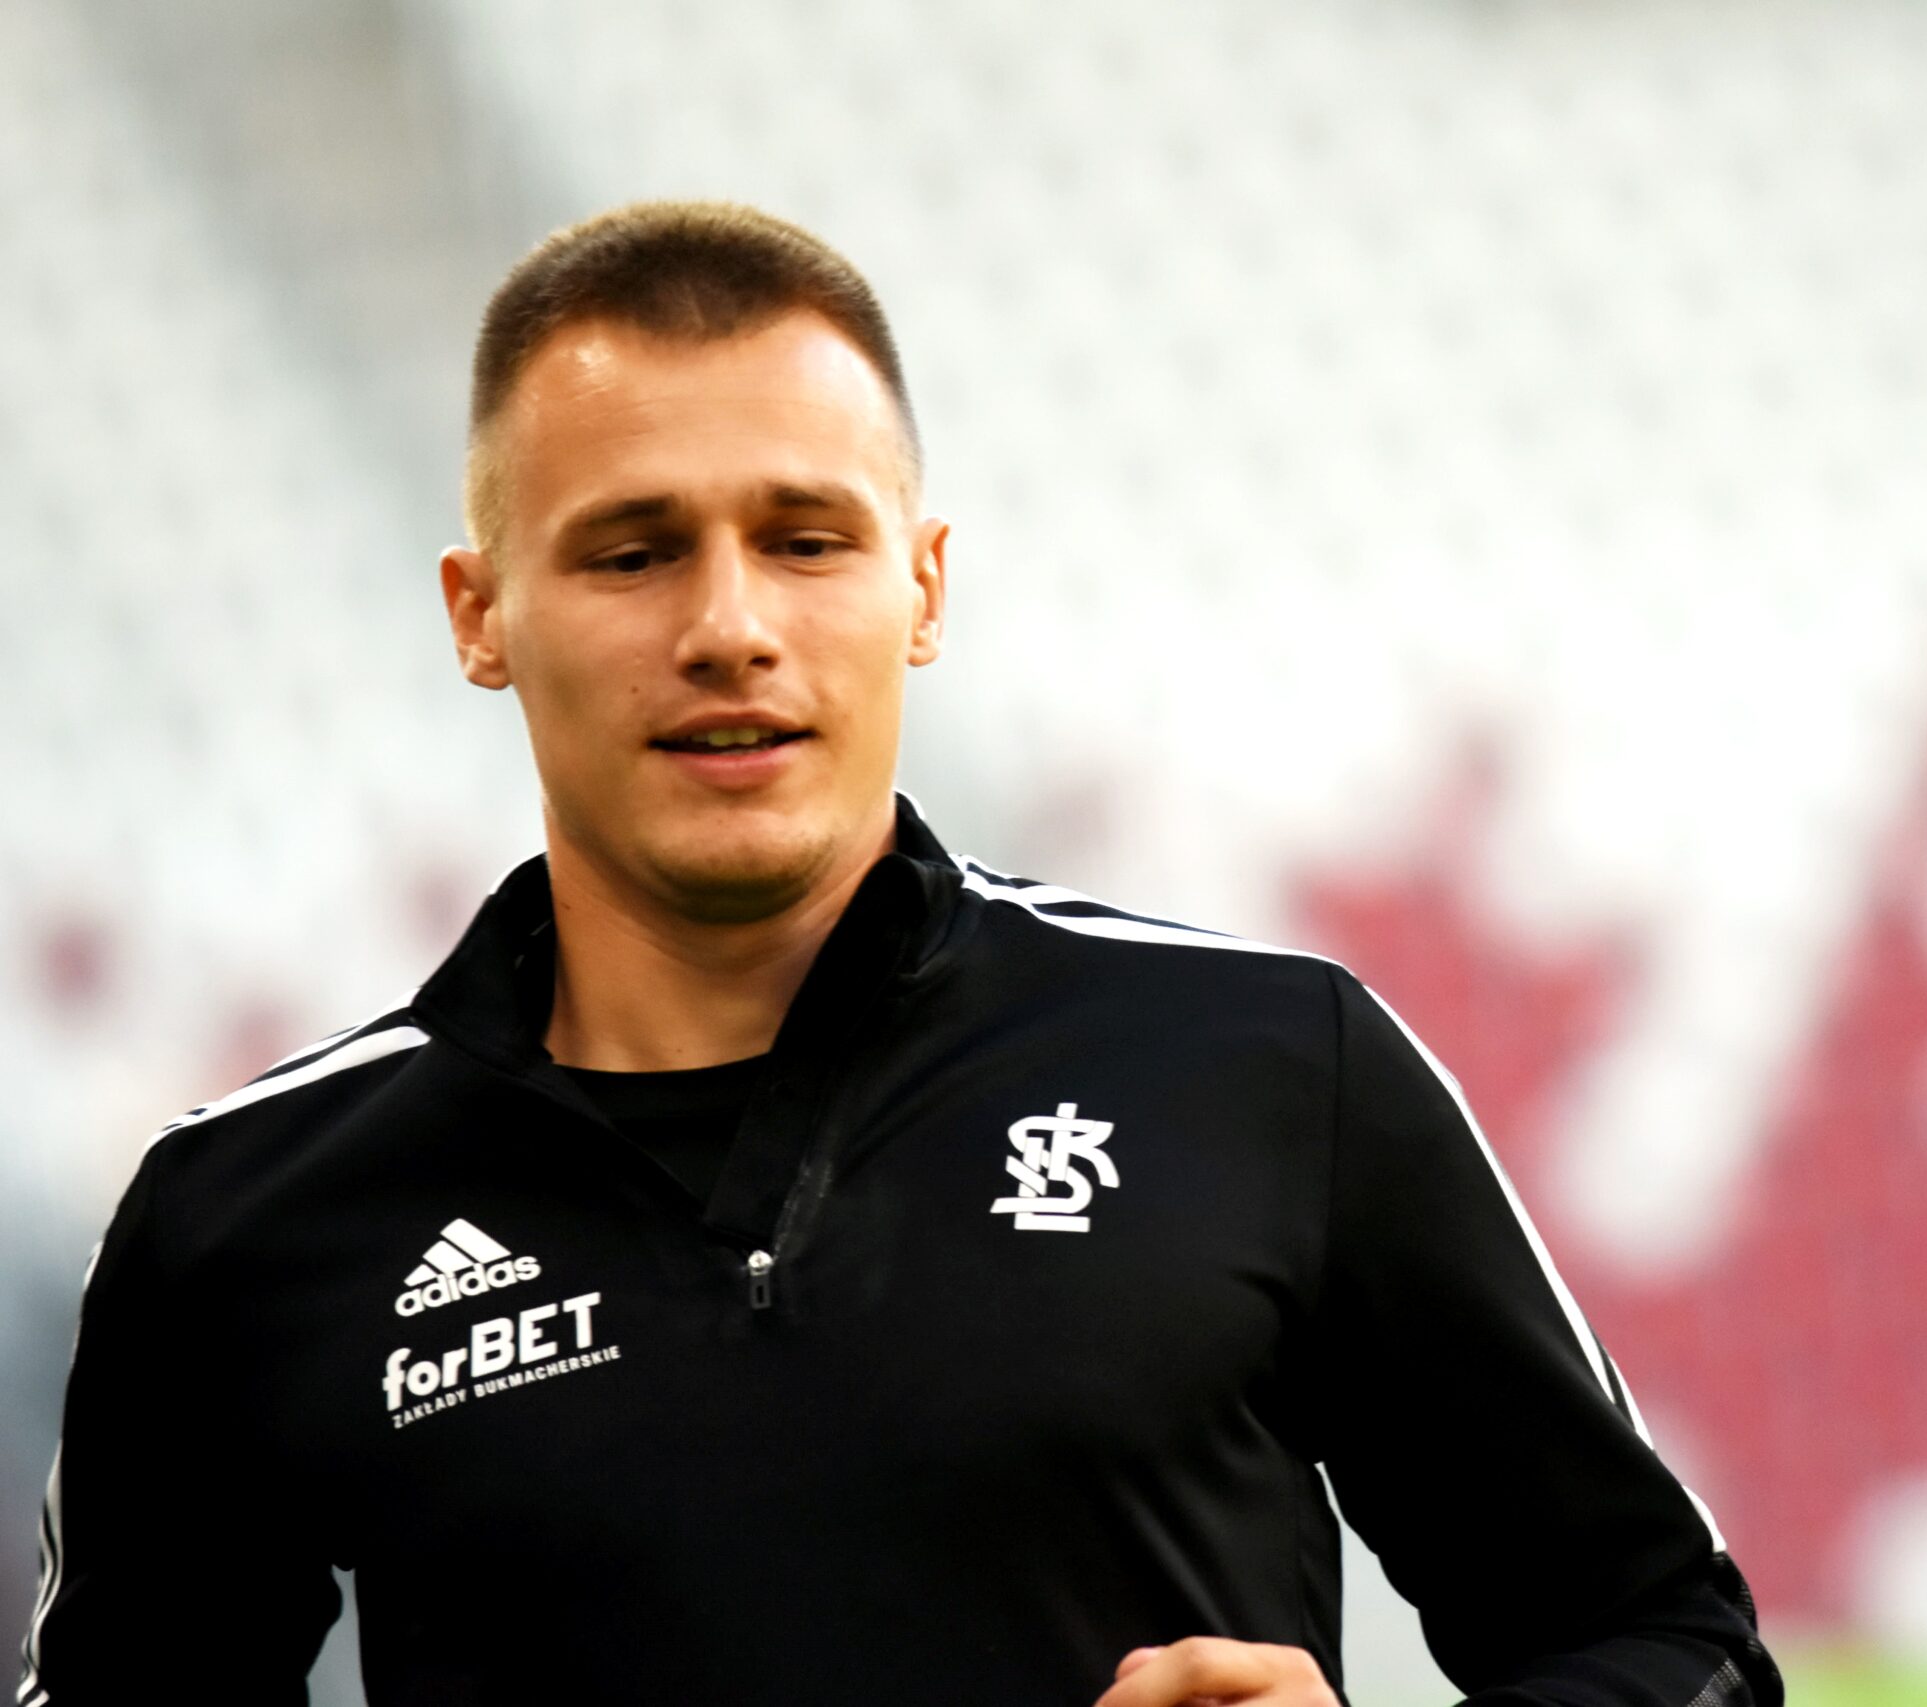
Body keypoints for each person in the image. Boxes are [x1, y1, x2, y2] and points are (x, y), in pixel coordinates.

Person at [18, 201, 1781, 1707]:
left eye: (805, 541)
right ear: (484, 614)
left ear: (922, 588)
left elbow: (1671, 1645)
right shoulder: (245, 1216)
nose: (730, 627)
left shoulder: (1261, 1067)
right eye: (632, 553)